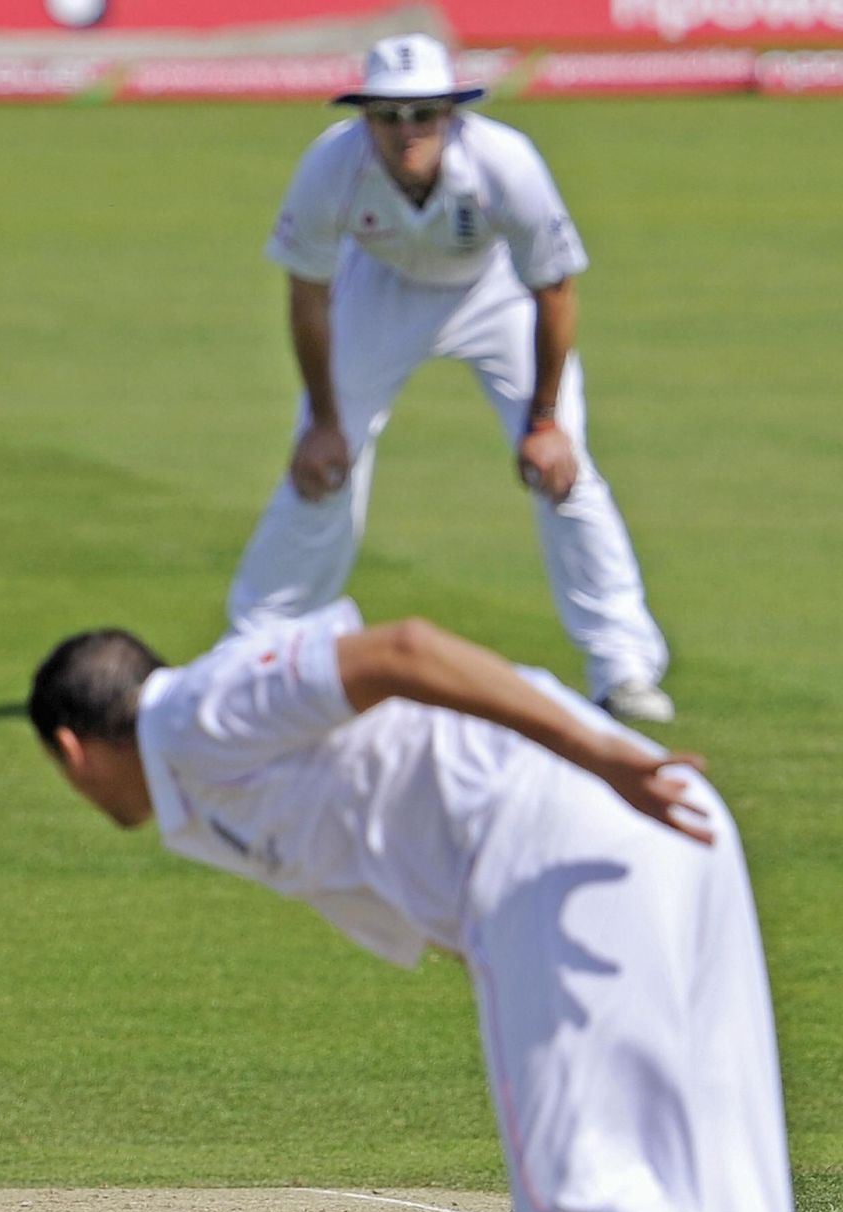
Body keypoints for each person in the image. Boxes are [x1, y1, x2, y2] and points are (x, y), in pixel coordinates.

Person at [28, 601, 798, 1212]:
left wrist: (595, 753)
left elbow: (402, 650)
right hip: (642, 819)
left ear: (71, 748)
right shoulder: (194, 770)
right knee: (717, 1185)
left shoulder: (193, 713)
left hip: (569, 822)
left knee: (572, 1204)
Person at [228, 33, 675, 724]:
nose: (407, 132)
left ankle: (623, 667)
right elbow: (307, 291)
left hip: (493, 294)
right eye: (389, 115)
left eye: (424, 114)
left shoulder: (505, 162)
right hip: (378, 290)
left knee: (565, 473)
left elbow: (554, 289)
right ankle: (255, 654)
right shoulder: (331, 164)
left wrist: (547, 422)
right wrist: (323, 420)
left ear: (452, 114)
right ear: (365, 117)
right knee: (320, 467)